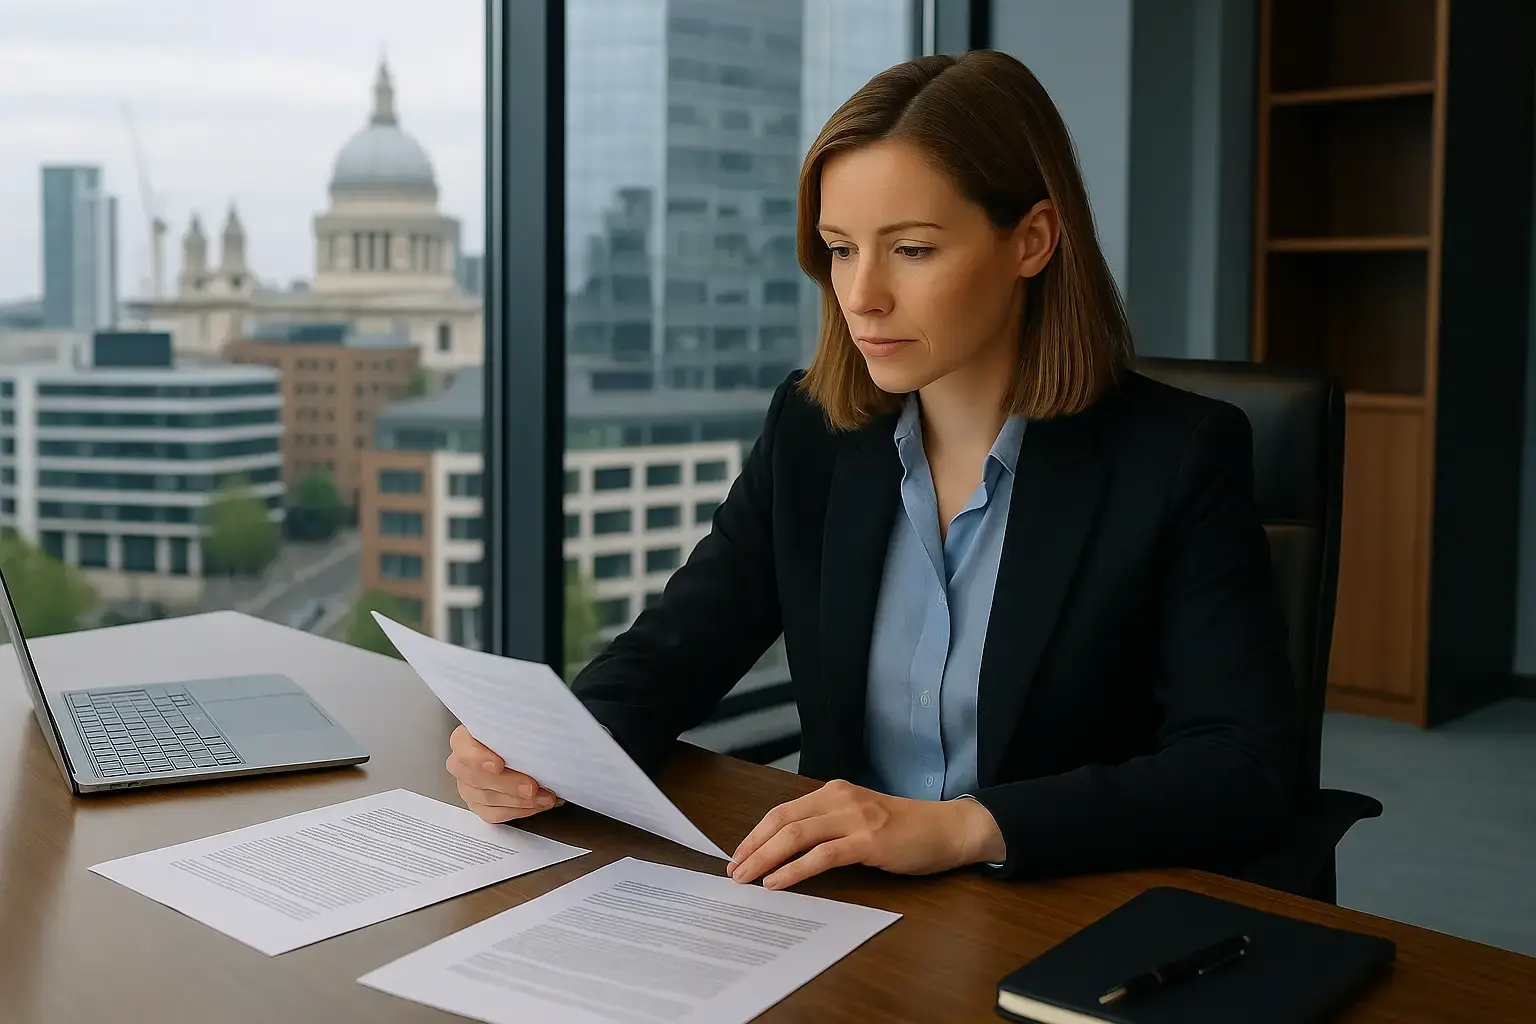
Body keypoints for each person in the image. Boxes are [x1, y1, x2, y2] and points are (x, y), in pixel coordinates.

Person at [447, 49, 1297, 889]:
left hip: (1056, 915)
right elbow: (679, 645)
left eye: (913, 250)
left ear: (1031, 240)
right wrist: (547, 749)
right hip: (843, 909)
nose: (862, 296)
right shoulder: (814, 431)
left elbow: (1242, 765)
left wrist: (963, 828)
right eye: (841, 249)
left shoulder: (1177, 456)